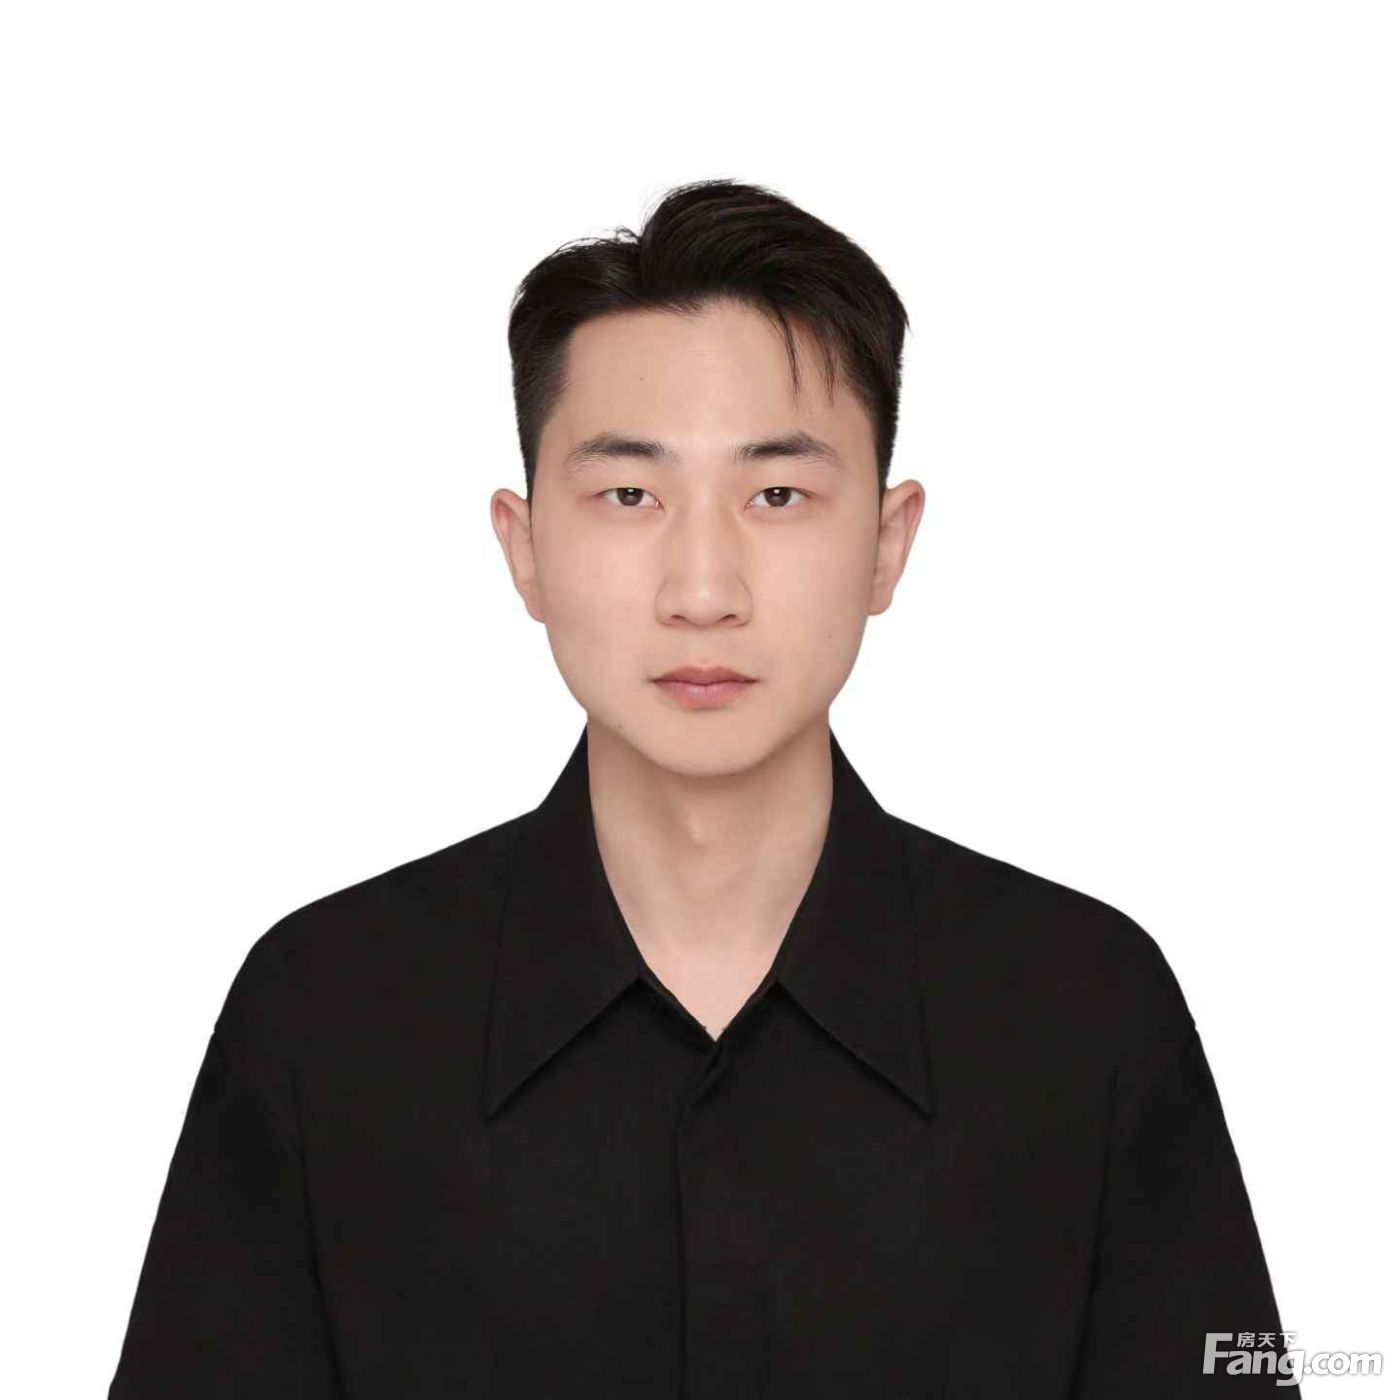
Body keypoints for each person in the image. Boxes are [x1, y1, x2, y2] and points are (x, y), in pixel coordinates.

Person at [108, 178, 1290, 1398]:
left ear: (885, 544)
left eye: (776, 494)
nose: (703, 589)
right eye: (629, 494)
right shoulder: (325, 1016)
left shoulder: (1083, 1012)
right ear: (524, 545)